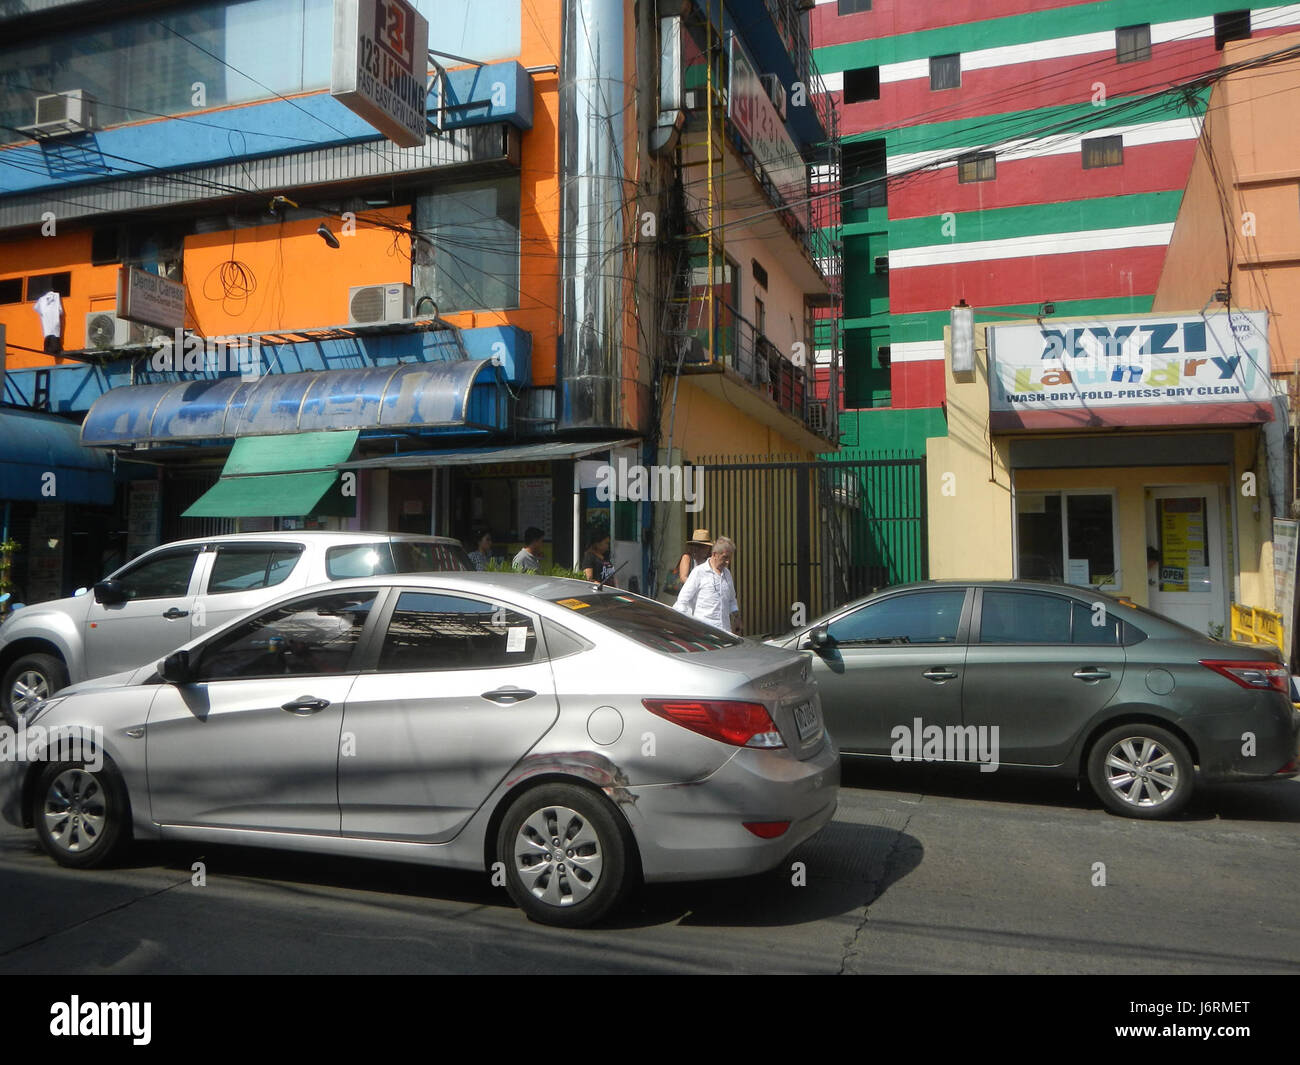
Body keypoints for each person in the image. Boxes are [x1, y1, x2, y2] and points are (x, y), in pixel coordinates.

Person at [674, 535, 741, 634]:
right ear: (715, 554)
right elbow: (682, 601)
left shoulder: (727, 574)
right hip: (704, 634)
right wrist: (686, 626)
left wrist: (737, 617)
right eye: (725, 558)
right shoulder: (699, 572)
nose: (728, 562)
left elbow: (732, 600)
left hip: (725, 633)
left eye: (729, 558)